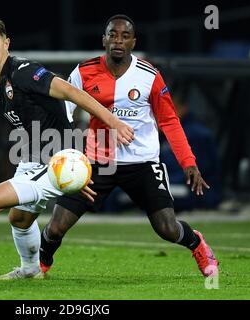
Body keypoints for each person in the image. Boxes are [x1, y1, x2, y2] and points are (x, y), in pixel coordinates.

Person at [0, 17, 134, 282]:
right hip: (35, 159)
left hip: (55, 161)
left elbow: (70, 91)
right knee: (20, 219)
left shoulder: (22, 71)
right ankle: (31, 270)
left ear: (6, 43)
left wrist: (111, 122)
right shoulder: (1, 89)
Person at [39, 14, 219, 277]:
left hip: (142, 163)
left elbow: (169, 121)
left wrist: (188, 162)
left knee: (167, 228)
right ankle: (40, 265)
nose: (118, 41)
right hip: (97, 163)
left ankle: (197, 243)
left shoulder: (149, 75)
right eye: (112, 34)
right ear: (104, 39)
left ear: (133, 42)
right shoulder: (83, 72)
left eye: (125, 36)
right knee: (56, 226)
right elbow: (64, 112)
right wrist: (64, 150)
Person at [160, 93, 222, 212]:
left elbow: (200, 171)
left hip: (195, 191)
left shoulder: (197, 135)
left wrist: (161, 181)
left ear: (182, 109)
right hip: (171, 182)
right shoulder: (162, 134)